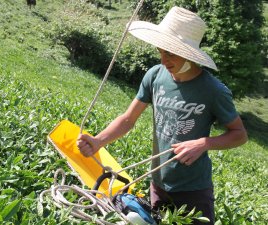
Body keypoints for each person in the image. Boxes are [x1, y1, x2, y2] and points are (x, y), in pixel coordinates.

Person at [77, 6, 248, 225]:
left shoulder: (213, 91)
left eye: (170, 53)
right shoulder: (155, 76)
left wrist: (203, 143)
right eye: (161, 51)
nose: (163, 59)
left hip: (193, 188)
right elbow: (128, 119)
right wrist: (98, 141)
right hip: (157, 182)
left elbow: (239, 134)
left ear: (188, 53)